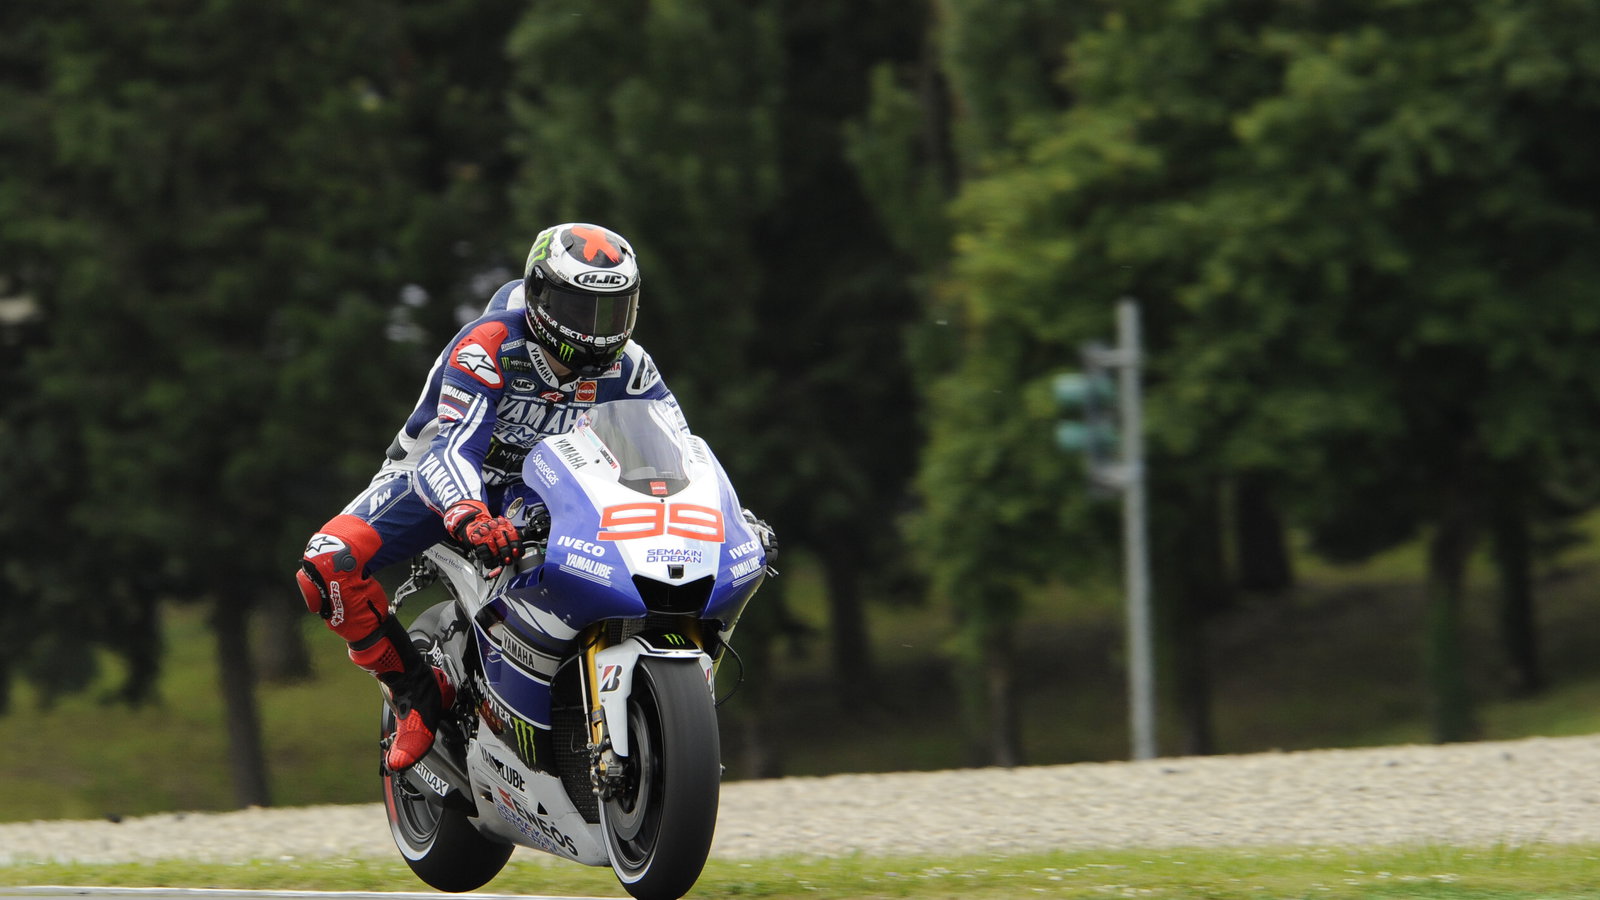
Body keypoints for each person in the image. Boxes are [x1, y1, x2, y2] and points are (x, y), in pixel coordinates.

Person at [296, 222, 685, 773]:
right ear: (541, 296)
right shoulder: (489, 345)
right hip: (435, 479)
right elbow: (452, 446)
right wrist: (467, 512)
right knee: (325, 565)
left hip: (539, 484)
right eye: (580, 309)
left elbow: (677, 452)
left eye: (613, 311)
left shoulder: (633, 366)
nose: (597, 331)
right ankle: (412, 690)